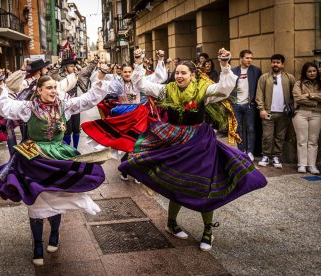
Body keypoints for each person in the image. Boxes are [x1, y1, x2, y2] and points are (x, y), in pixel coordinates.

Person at [119, 48, 267, 251]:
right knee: (175, 183)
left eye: (183, 73)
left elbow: (224, 89)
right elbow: (142, 84)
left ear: (193, 75)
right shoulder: (167, 89)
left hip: (200, 142)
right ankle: (171, 223)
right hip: (175, 141)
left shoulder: (203, 89)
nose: (179, 76)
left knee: (204, 185)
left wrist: (224, 65)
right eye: (177, 73)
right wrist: (138, 63)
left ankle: (208, 231)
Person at [0, 69, 109, 266]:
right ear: (39, 90)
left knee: (57, 196)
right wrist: (1, 84)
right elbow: (4, 106)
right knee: (37, 202)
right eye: (49, 88)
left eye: (55, 87)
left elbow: (88, 99)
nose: (53, 91)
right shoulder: (28, 107)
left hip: (58, 155)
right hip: (34, 157)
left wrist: (101, 79)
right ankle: (37, 244)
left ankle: (54, 233)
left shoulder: (65, 105)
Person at [81, 49, 168, 182]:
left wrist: (161, 60)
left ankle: (136, 170)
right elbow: (101, 86)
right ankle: (125, 169)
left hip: (138, 117)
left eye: (129, 71)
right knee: (124, 144)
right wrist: (101, 74)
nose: (127, 74)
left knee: (138, 143)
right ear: (121, 72)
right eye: (125, 72)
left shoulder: (140, 82)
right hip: (123, 117)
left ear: (133, 72)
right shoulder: (117, 84)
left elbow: (159, 77)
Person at [255, 54, 295, 169]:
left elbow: (294, 95)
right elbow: (259, 94)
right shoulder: (264, 78)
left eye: (278, 62)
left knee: (280, 136)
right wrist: (261, 109)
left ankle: (276, 156)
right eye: (273, 62)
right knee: (267, 136)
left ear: (282, 64)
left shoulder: (289, 78)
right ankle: (266, 156)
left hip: (284, 114)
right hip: (268, 112)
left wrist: (291, 108)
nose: (275, 64)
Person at [57, 58, 97, 149]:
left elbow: (87, 70)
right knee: (67, 130)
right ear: (65, 67)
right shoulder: (59, 76)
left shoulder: (77, 75)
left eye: (74, 66)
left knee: (76, 128)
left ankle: (75, 149)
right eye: (71, 66)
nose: (74, 68)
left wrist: (94, 60)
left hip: (75, 105)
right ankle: (67, 149)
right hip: (64, 106)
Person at [231, 50, 262, 161]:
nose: (250, 60)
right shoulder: (233, 71)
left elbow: (259, 87)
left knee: (251, 129)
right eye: (247, 58)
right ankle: (241, 150)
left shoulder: (256, 71)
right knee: (237, 128)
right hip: (236, 104)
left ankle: (250, 152)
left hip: (250, 105)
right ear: (241, 58)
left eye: (251, 58)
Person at [292, 62, 321, 174]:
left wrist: (310, 95)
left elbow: (304, 98)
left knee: (313, 140)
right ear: (305, 72)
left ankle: (312, 165)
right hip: (301, 114)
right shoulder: (298, 84)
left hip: (317, 114)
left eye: (314, 71)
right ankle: (302, 164)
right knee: (302, 140)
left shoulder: (320, 83)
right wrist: (315, 102)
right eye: (309, 71)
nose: (312, 73)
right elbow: (298, 99)